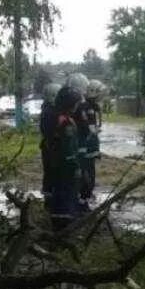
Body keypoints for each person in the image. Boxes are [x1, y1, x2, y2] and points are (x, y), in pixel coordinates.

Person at [49, 86, 82, 230]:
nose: (77, 106)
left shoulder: (60, 118)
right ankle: (63, 227)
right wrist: (76, 166)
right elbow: (68, 149)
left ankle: (59, 222)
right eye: (75, 103)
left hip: (57, 163)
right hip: (65, 166)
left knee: (60, 193)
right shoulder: (65, 123)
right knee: (66, 194)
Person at [68, 73, 91, 210]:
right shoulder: (78, 106)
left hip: (79, 147)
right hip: (78, 148)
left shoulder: (77, 104)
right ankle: (80, 203)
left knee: (83, 176)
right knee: (82, 177)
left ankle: (80, 202)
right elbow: (82, 125)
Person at [80, 80, 104, 203]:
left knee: (91, 175)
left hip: (91, 149)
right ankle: (83, 200)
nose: (101, 96)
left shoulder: (93, 107)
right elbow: (87, 130)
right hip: (85, 150)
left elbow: (94, 128)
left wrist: (96, 150)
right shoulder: (85, 107)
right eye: (99, 93)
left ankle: (87, 197)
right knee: (86, 177)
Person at [39, 83, 61, 205]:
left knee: (50, 173)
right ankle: (49, 199)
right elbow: (50, 132)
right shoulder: (49, 112)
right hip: (50, 147)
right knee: (51, 172)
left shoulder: (48, 109)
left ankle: (50, 197)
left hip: (49, 146)